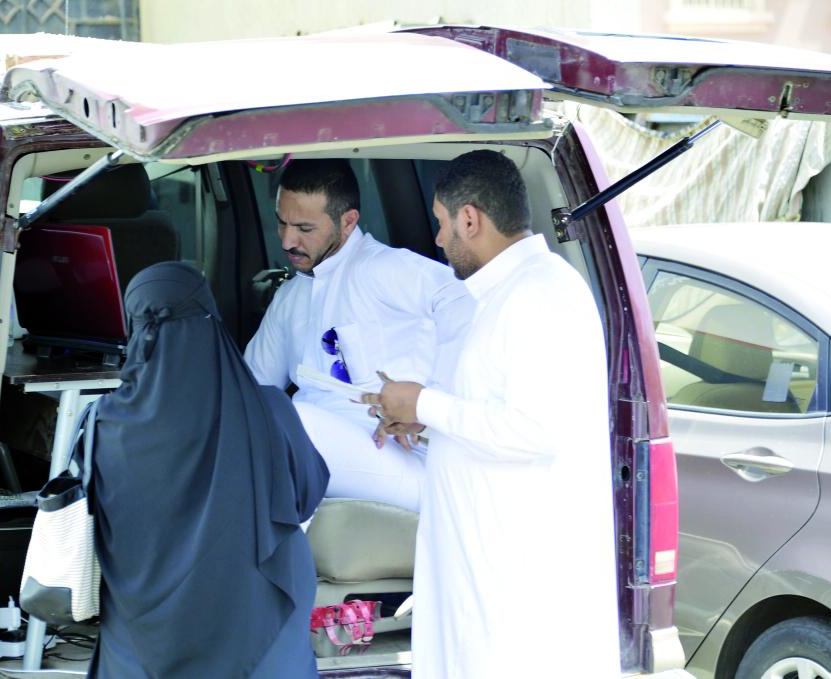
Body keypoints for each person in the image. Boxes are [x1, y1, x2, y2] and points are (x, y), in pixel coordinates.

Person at [362, 150, 622, 677]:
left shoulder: (540, 295)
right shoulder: (506, 293)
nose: (438, 239)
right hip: (484, 575)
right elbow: (493, 411)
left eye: (441, 223)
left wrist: (424, 403)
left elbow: (537, 430)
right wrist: (425, 418)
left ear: (470, 219)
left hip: (517, 589)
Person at [88, 261, 329, 679]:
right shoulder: (270, 409)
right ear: (212, 320)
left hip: (141, 647)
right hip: (262, 632)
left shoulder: (102, 423)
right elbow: (306, 496)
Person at [243, 159, 473, 512]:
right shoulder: (289, 296)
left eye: (304, 228)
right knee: (257, 419)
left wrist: (430, 403)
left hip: (400, 455)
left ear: (348, 222)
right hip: (313, 451)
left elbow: (466, 304)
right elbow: (251, 390)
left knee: (292, 422)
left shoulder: (384, 266)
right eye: (282, 223)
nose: (287, 240)